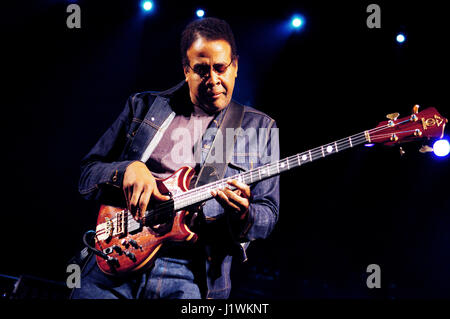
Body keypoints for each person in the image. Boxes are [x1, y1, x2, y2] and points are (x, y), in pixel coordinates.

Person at [71, 17, 280, 299]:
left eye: (221, 68)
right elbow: (87, 176)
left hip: (190, 275)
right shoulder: (143, 106)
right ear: (185, 70)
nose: (213, 80)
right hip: (114, 259)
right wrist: (127, 170)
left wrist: (243, 215)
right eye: (201, 70)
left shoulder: (261, 128)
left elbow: (268, 216)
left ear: (236, 66)